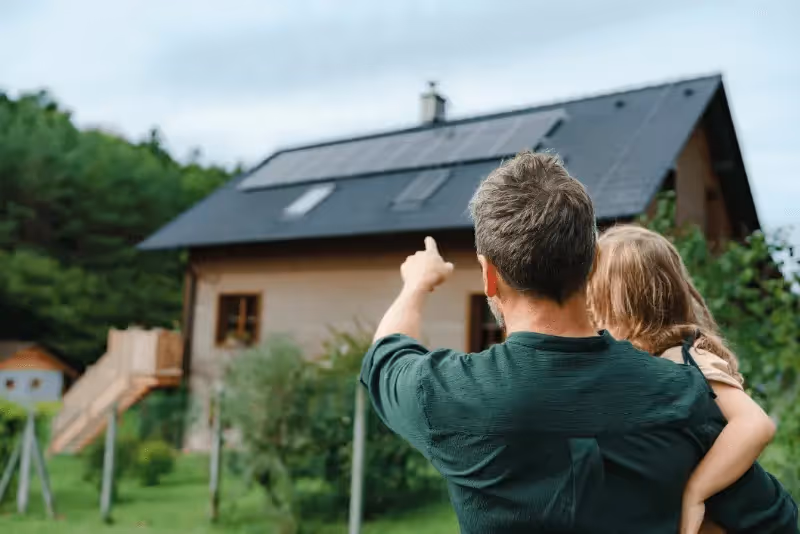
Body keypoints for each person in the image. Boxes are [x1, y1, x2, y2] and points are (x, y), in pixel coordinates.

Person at [359, 151, 798, 533]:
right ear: (590, 265)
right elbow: (778, 522)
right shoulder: (683, 394)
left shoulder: (447, 394)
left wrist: (417, 284)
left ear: (489, 275)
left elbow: (387, 353)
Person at [587, 224, 778, 534]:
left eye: (598, 304)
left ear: (630, 306)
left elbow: (755, 425)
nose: (594, 316)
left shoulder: (688, 359)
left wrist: (695, 492)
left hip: (758, 522)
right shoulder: (643, 365)